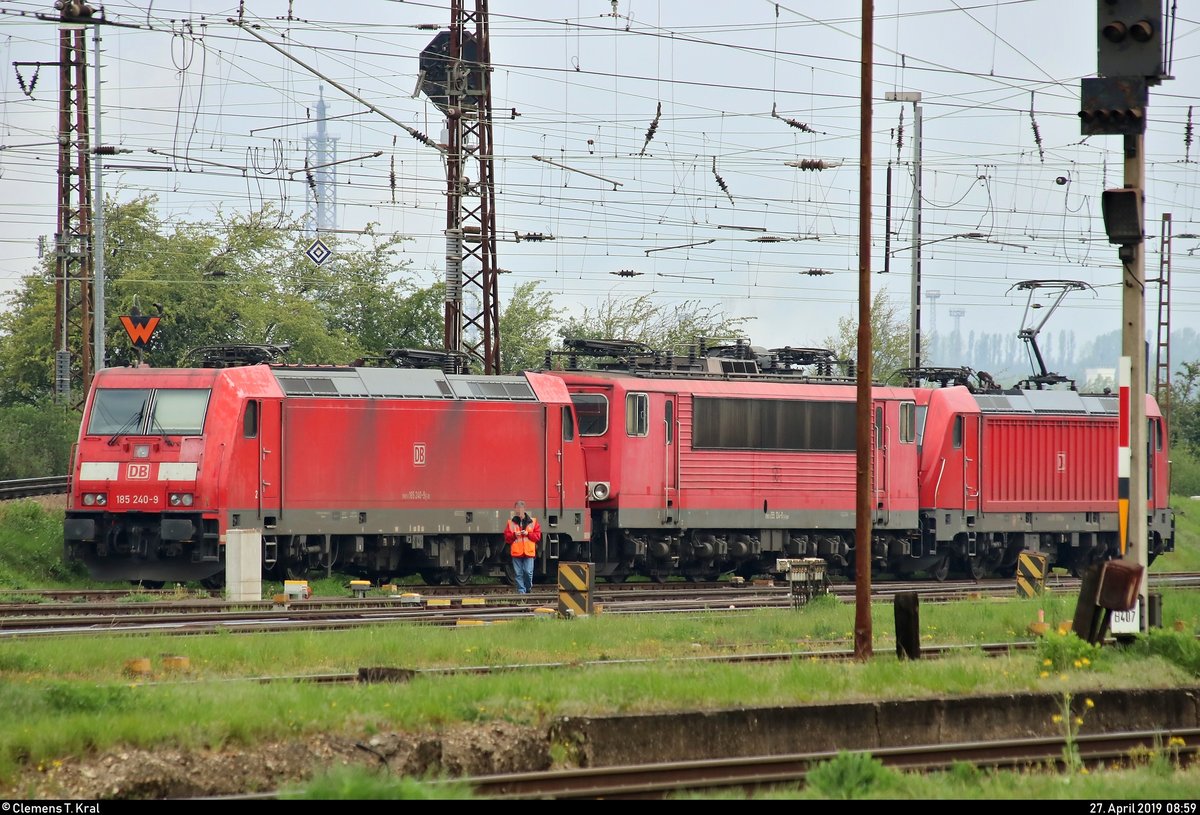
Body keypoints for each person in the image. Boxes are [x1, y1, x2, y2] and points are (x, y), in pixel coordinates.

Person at [503, 500, 542, 594]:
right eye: (517, 509)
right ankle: (521, 591)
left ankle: (528, 587)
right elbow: (507, 538)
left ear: (524, 509)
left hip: (529, 552)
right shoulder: (511, 523)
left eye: (520, 509)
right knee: (518, 573)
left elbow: (537, 537)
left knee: (528, 572)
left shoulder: (533, 522)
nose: (518, 511)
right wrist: (514, 535)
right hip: (517, 552)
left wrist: (528, 534)